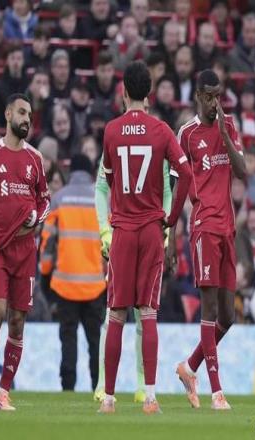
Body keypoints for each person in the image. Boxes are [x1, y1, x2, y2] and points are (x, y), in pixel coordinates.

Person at [98, 61, 192, 414]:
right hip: (152, 230)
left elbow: (109, 180)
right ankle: (150, 397)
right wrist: (171, 217)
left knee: (116, 314)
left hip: (122, 231)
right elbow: (185, 173)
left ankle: (109, 399)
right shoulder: (162, 130)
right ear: (149, 94)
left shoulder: (111, 131)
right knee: (148, 313)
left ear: (124, 92)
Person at [0, 93, 50, 411]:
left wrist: (36, 217)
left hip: (26, 252)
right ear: (7, 114)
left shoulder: (35, 159)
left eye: (29, 114)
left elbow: (45, 200)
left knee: (17, 323)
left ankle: (3, 393)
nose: (26, 119)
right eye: (21, 112)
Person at [174, 69, 246, 410]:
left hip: (228, 229)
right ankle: (216, 392)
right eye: (209, 96)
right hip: (204, 226)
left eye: (218, 95)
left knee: (228, 316)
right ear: (198, 97)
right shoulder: (186, 134)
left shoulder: (228, 125)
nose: (214, 102)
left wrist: (224, 134)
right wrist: (171, 232)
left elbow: (243, 171)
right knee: (209, 308)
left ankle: (189, 367)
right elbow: (179, 184)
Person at [93, 102, 173, 404]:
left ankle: (134, 387)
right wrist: (105, 231)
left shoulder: (113, 132)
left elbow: (103, 188)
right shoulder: (156, 134)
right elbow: (102, 189)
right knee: (133, 312)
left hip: (129, 230)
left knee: (123, 312)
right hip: (138, 230)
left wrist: (108, 230)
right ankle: (107, 384)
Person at [40, 154, 105, 392]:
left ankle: (68, 388)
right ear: (90, 173)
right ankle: (99, 388)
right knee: (95, 341)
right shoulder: (100, 200)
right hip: (95, 285)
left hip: (65, 284)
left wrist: (46, 273)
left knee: (68, 339)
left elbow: (47, 243)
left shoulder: (59, 199)